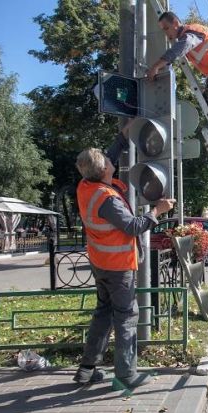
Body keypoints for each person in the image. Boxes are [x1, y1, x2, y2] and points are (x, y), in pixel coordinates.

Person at [73, 121, 175, 390]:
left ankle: (86, 371)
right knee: (127, 317)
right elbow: (132, 227)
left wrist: (123, 135)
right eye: (107, 160)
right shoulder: (107, 199)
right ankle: (126, 375)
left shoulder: (86, 185)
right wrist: (158, 211)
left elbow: (111, 153)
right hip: (118, 268)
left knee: (103, 315)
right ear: (105, 170)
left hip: (100, 264)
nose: (110, 159)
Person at [147, 11, 208, 141]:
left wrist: (156, 66)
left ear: (176, 24)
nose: (166, 33)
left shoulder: (191, 33)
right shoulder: (187, 36)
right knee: (207, 95)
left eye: (167, 28)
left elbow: (183, 46)